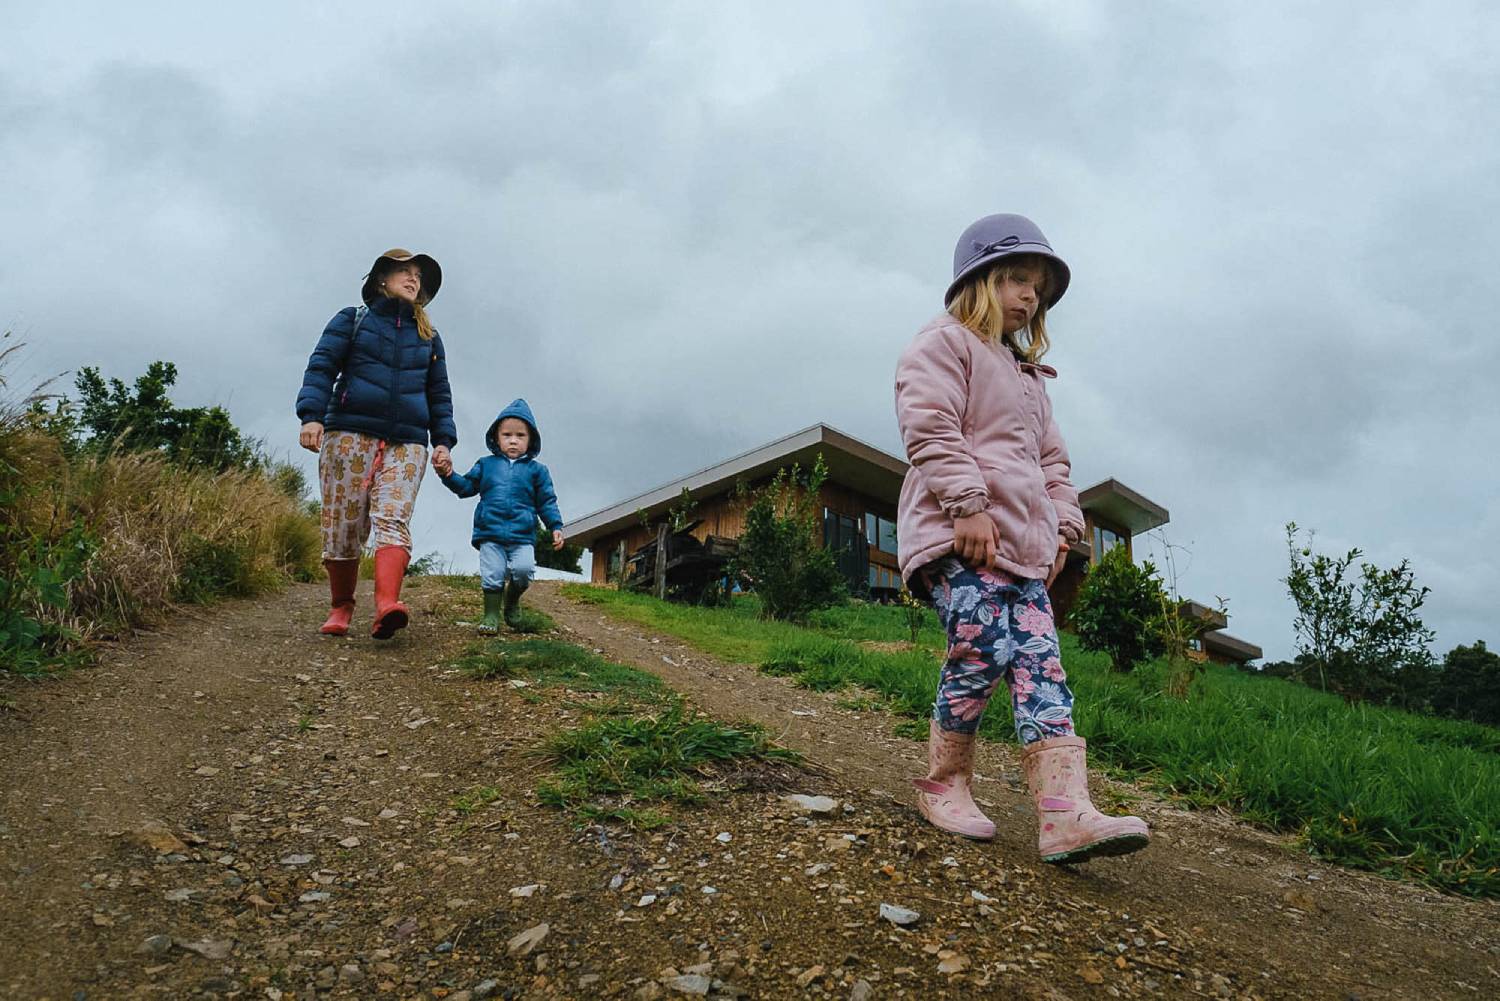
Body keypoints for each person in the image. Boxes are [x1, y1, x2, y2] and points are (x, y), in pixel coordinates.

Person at [894, 213, 1149, 863]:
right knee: (981, 648)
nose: (1029, 296)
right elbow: (929, 424)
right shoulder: (944, 344)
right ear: (975, 282)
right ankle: (944, 780)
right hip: (961, 540)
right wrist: (968, 505)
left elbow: (1053, 467)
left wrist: (1065, 525)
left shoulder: (1032, 381)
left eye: (1036, 286)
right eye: (1014, 279)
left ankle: (1066, 814)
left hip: (1026, 556)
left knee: (1043, 667)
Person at [295, 249, 456, 639]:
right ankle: (341, 605)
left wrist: (444, 442)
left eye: (419, 275)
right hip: (348, 433)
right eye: (404, 271)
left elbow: (439, 393)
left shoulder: (429, 338)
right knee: (345, 525)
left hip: (408, 442)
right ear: (381, 279)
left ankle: (387, 604)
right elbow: (322, 366)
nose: (413, 278)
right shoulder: (352, 320)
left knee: (393, 518)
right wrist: (311, 415)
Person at [435, 399, 564, 632]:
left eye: (520, 435)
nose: (513, 440)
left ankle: (512, 602)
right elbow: (465, 488)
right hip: (490, 532)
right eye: (507, 435)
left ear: (531, 439)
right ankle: (491, 616)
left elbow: (547, 501)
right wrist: (448, 475)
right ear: (496, 438)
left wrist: (555, 525)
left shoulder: (537, 471)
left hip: (523, 535)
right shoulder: (486, 465)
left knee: (523, 571)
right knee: (492, 574)